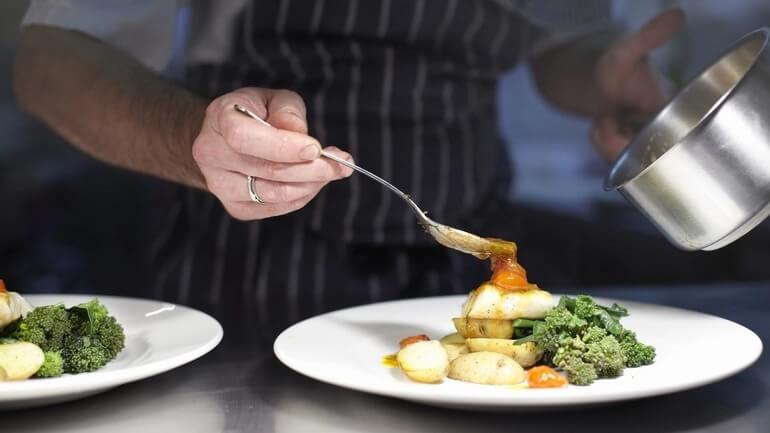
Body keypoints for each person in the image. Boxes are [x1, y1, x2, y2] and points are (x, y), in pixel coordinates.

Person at [13, 1, 684, 330]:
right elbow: (47, 60)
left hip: (468, 248)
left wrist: (600, 71)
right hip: (252, 264)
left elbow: (560, 42)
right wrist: (194, 134)